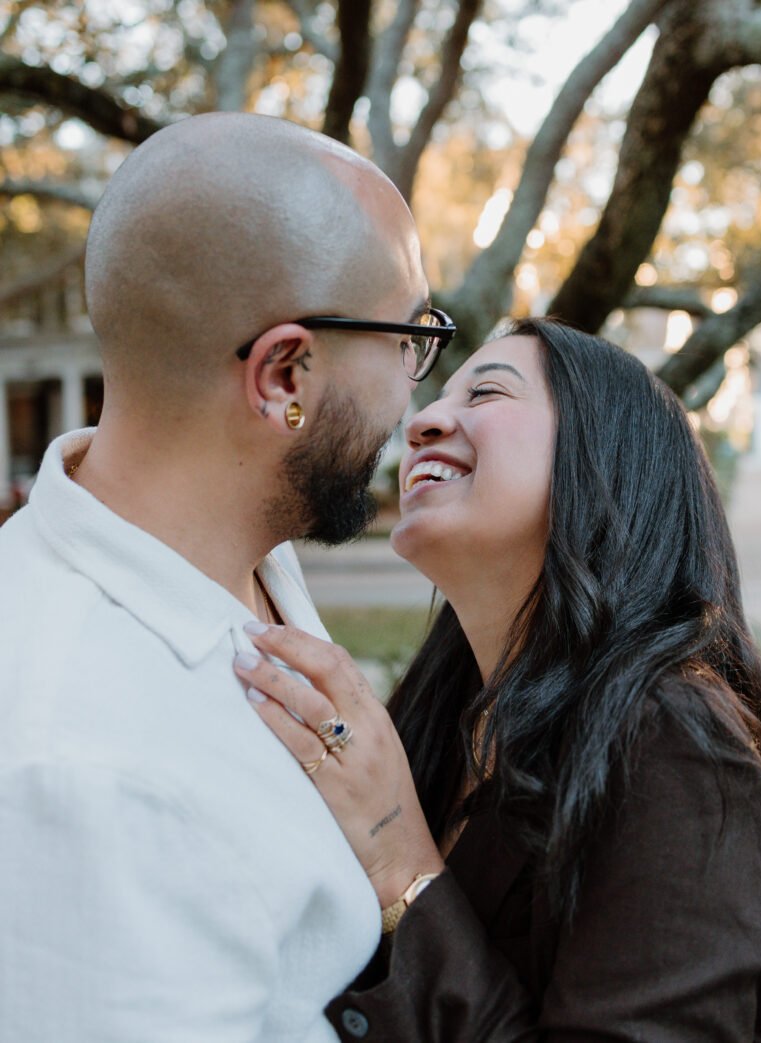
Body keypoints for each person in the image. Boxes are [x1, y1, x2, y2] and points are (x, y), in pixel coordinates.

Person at [0, 112, 457, 1041]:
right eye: (407, 336)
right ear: (285, 374)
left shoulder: (241, 543)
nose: (415, 390)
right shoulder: (80, 780)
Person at [236, 317, 761, 1041]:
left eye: (487, 393)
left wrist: (402, 867)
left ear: (602, 456)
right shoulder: (443, 717)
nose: (423, 421)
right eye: (437, 397)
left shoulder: (673, 739)